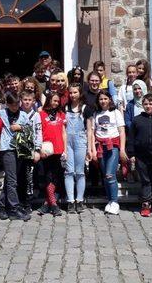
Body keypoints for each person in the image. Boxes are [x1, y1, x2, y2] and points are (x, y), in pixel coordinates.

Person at [88, 90, 127, 215]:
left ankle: (115, 202)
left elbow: (122, 132)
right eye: (101, 99)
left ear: (109, 99)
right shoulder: (96, 114)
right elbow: (93, 133)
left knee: (110, 174)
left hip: (113, 146)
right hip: (100, 147)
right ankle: (110, 201)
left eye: (105, 98)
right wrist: (93, 150)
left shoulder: (115, 113)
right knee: (105, 176)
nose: (103, 101)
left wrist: (122, 149)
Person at [0, 92, 32, 221]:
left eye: (17, 104)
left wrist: (20, 127)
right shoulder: (1, 113)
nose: (15, 107)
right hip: (7, 149)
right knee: (12, 180)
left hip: (19, 149)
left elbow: (29, 129)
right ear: (7, 104)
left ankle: (1, 206)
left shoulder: (23, 115)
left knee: (11, 180)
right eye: (12, 105)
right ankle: (14, 208)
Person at [37, 92, 67, 217]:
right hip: (46, 150)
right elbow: (38, 132)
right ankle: (53, 205)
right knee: (47, 177)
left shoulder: (62, 114)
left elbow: (64, 133)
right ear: (48, 100)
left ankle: (47, 203)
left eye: (57, 101)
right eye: (53, 100)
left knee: (56, 177)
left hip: (59, 150)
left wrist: (65, 150)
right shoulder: (41, 114)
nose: (55, 103)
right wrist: (39, 149)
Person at [64, 83, 89, 214]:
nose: (73, 95)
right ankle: (70, 200)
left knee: (80, 172)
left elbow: (89, 129)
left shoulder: (85, 108)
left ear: (80, 94)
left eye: (75, 92)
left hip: (80, 141)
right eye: (71, 92)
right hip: (68, 141)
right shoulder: (65, 107)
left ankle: (79, 200)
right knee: (69, 171)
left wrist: (90, 148)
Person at [16, 90, 43, 214]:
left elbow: (38, 132)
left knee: (29, 177)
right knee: (19, 176)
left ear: (33, 101)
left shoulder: (36, 115)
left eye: (29, 100)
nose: (27, 102)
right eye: (25, 100)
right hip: (18, 148)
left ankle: (27, 202)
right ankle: (19, 201)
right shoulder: (17, 113)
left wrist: (37, 149)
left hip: (30, 149)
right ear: (21, 100)